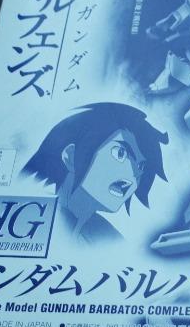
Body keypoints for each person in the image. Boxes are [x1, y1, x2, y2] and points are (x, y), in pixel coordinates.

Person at [22, 103, 168, 243]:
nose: (136, 173)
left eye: (141, 165)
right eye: (120, 153)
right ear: (71, 156)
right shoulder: (31, 219)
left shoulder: (109, 238)